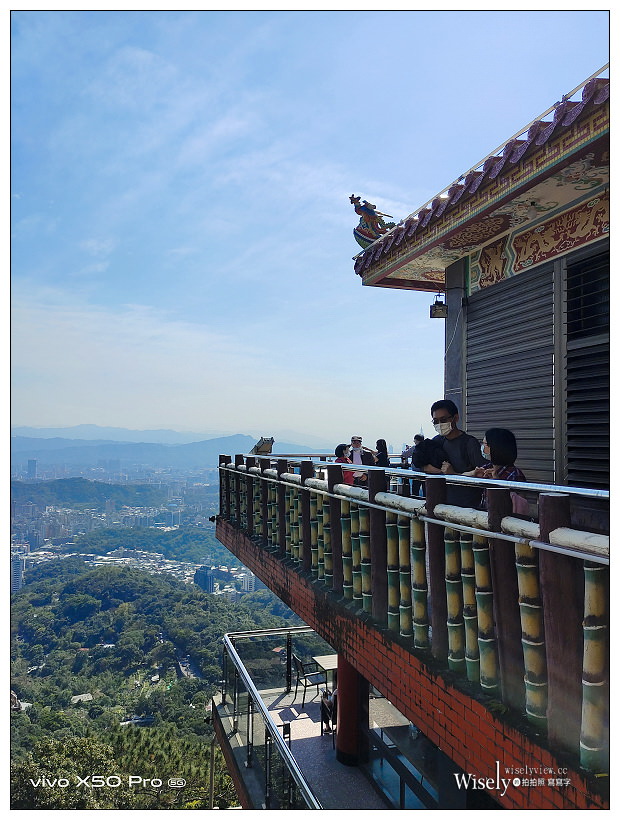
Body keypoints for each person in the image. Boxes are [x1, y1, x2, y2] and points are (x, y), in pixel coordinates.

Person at [426, 399, 486, 508]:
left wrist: (453, 474)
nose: (440, 424)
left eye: (443, 420)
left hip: (467, 507)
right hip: (440, 504)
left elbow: (484, 474)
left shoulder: (469, 444)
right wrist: (437, 470)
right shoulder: (436, 442)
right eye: (435, 421)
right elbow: (418, 464)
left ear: (456, 418)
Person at [465, 428, 528, 514]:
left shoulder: (515, 474)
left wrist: (497, 481)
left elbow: (520, 505)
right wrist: (473, 473)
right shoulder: (487, 467)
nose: (482, 447)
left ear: (496, 448)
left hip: (504, 520)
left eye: (485, 444)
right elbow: (462, 478)